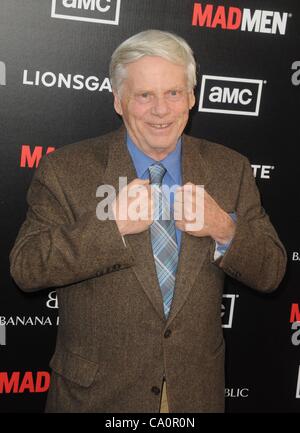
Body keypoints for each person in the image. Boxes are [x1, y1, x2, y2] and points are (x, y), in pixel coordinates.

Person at [10, 30, 286, 413]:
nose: (161, 110)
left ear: (191, 96)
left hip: (195, 395)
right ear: (119, 101)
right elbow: (27, 268)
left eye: (173, 93)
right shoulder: (65, 170)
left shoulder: (230, 169)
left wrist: (225, 228)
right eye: (144, 95)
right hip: (97, 397)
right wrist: (111, 227)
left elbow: (272, 270)